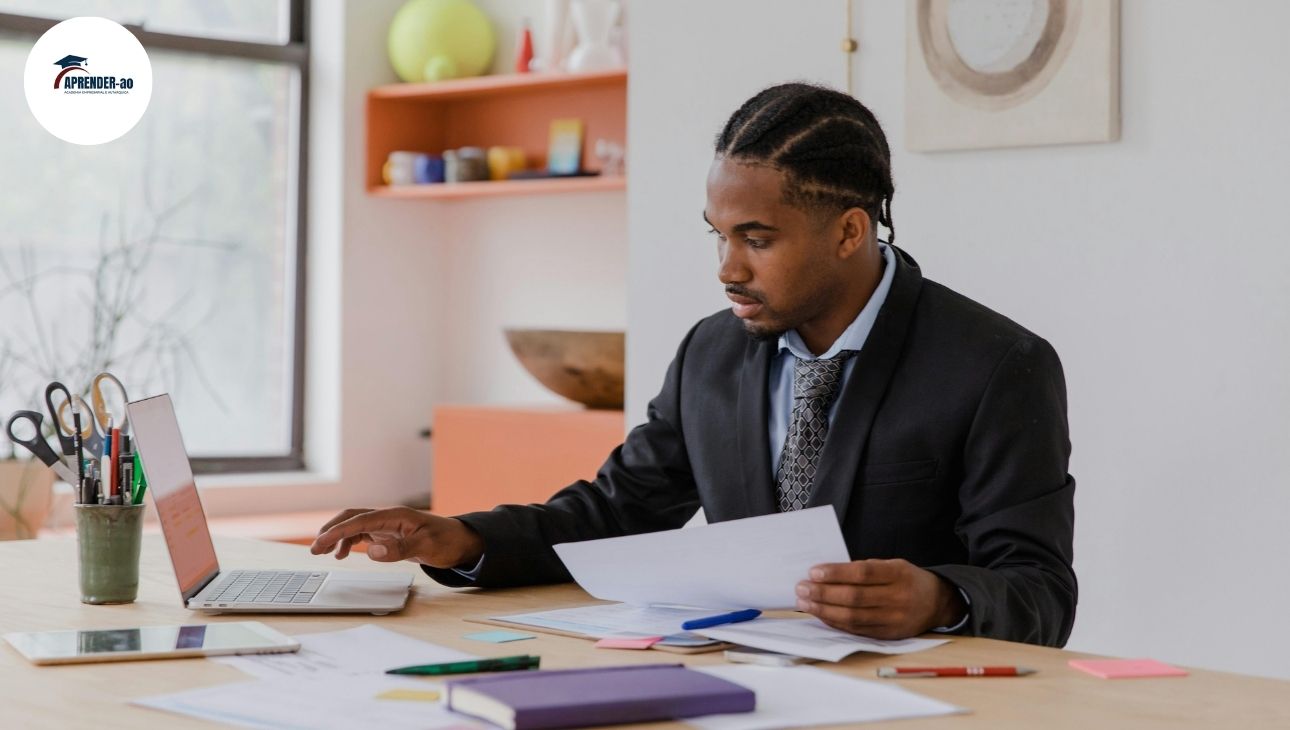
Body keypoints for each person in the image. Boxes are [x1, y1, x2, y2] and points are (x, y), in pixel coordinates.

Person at [311, 83, 1077, 647]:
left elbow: (1039, 590)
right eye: (716, 235)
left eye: (757, 239)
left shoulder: (997, 366)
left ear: (849, 231)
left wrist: (941, 598)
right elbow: (613, 515)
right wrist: (462, 540)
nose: (726, 268)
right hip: (734, 680)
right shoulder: (711, 351)